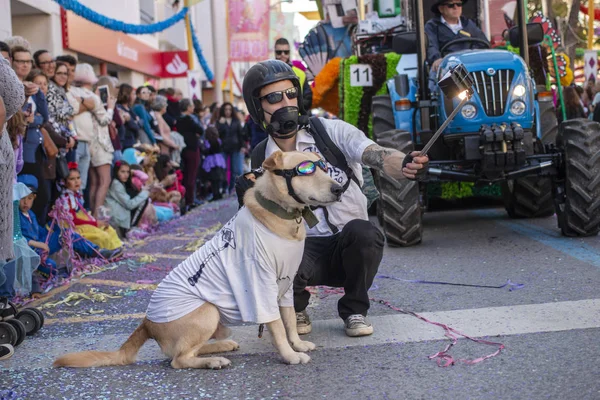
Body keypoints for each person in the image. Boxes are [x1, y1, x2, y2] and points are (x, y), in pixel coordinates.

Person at [238, 60, 429, 337]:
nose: (285, 102)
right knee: (272, 244)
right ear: (258, 107)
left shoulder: (331, 132)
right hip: (304, 251)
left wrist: (404, 163)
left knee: (365, 232)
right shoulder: (262, 157)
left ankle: (355, 310)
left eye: (291, 93)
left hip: (348, 245)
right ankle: (295, 306)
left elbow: (375, 154)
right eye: (274, 97)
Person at [17, 174, 119, 279]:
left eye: (29, 198)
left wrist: (54, 224)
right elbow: (17, 239)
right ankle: (52, 272)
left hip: (40, 247)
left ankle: (96, 251)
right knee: (50, 265)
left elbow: (40, 232)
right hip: (29, 252)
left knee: (66, 233)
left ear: (34, 197)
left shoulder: (31, 214)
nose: (26, 202)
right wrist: (38, 244)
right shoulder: (15, 215)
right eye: (22, 198)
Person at [72, 64, 116, 215]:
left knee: (92, 183)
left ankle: (90, 213)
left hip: (87, 142)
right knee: (104, 181)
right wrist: (110, 107)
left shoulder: (73, 92)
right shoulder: (92, 97)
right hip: (100, 142)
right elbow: (104, 120)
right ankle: (97, 216)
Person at [58, 162, 123, 251]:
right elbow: (73, 220)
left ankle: (115, 248)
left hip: (82, 220)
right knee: (100, 235)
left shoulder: (76, 194)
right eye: (72, 179)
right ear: (65, 182)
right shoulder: (66, 198)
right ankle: (104, 252)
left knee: (108, 229)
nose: (77, 181)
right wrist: (95, 223)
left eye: (78, 178)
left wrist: (95, 221)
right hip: (74, 226)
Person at [425, 0, 489, 74]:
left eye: (459, 4)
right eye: (451, 5)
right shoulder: (432, 26)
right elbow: (431, 46)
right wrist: (436, 59)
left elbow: (483, 43)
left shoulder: (469, 24)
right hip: (446, 68)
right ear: (441, 9)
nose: (456, 7)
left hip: (470, 65)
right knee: (435, 73)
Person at [105, 160, 155, 237]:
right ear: (116, 172)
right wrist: (145, 193)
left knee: (142, 199)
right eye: (122, 172)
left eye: (128, 172)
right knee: (143, 201)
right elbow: (129, 205)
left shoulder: (121, 183)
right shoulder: (116, 184)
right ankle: (131, 228)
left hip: (119, 216)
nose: (126, 175)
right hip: (116, 219)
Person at [177, 98, 204, 210]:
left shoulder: (178, 119)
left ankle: (187, 199)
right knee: (191, 175)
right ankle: (190, 200)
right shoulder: (189, 119)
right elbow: (200, 130)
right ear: (188, 107)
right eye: (191, 106)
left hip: (183, 148)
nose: (193, 108)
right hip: (192, 148)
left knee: (186, 174)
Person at [274, 38, 312, 112]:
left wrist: (293, 107)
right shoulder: (267, 73)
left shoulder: (301, 74)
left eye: (286, 52)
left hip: (296, 119)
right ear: (275, 53)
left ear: (289, 53)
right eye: (279, 52)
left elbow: (308, 99)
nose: (283, 55)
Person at [216, 102, 245, 194]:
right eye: (226, 109)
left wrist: (243, 146)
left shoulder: (236, 121)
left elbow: (241, 134)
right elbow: (217, 135)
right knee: (223, 169)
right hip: (223, 147)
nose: (228, 111)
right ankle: (225, 187)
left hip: (236, 147)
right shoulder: (220, 121)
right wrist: (221, 124)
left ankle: (233, 187)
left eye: (229, 109)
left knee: (236, 169)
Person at [201, 126, 226, 202]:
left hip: (210, 161)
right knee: (218, 178)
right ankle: (218, 193)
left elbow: (206, 150)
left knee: (213, 179)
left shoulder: (207, 142)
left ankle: (215, 194)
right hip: (218, 159)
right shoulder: (218, 141)